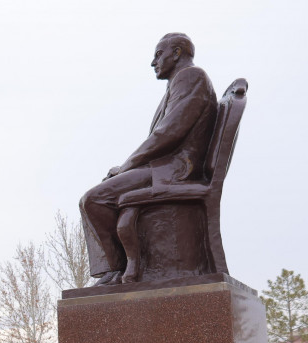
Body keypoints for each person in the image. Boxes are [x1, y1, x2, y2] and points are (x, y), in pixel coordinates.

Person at [80, 32, 217, 286]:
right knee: (97, 195)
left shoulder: (191, 77)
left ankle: (115, 269)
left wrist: (127, 166)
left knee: (94, 199)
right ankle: (119, 270)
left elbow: (169, 133)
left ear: (176, 53)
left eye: (158, 55)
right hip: (164, 167)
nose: (153, 62)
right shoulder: (178, 83)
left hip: (175, 171)